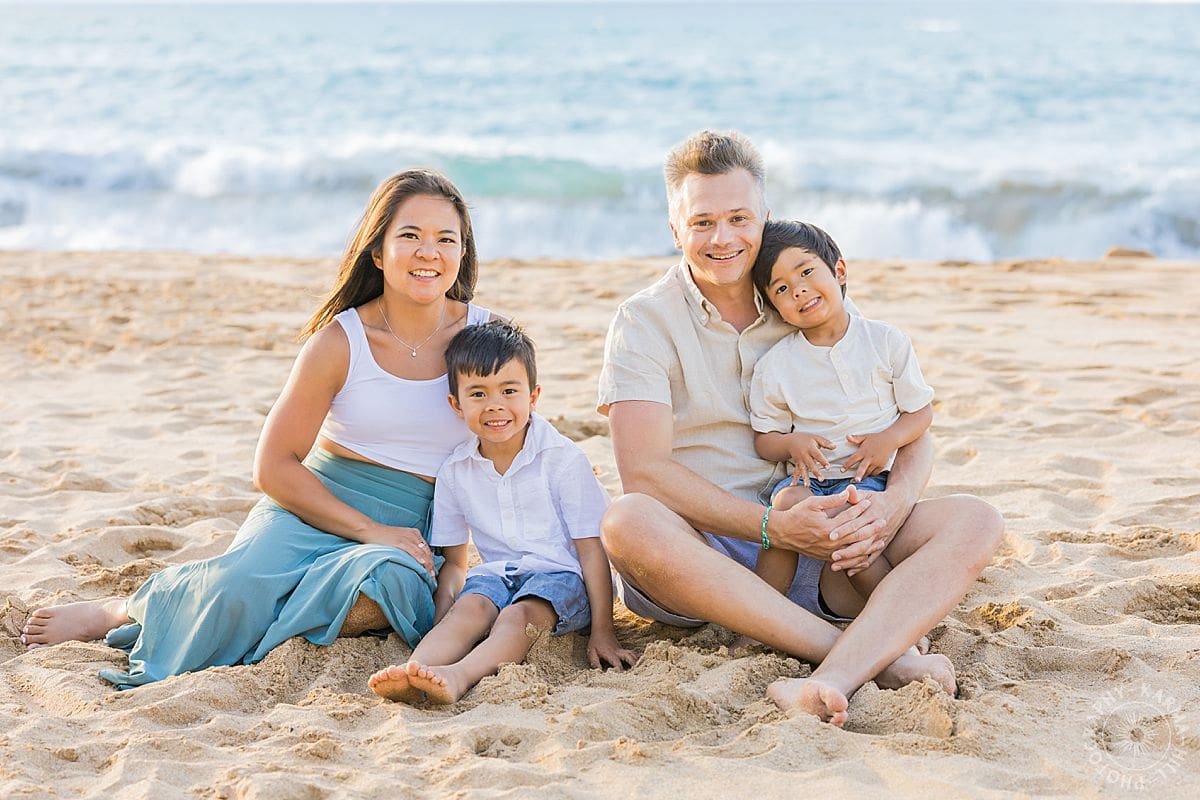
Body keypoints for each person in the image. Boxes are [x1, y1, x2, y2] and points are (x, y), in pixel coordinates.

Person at [21, 169, 497, 688]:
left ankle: (243, 605)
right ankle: (123, 609)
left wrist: (455, 560)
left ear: (462, 252)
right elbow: (272, 466)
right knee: (242, 585)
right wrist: (368, 529)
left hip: (416, 522)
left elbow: (497, 456)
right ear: (378, 252)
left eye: (445, 239)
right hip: (317, 503)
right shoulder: (340, 342)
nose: (429, 252)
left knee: (386, 586)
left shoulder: (486, 339)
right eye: (410, 236)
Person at [597, 130, 1004, 727]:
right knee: (626, 520)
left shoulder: (807, 299)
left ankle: (841, 659)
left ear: (763, 217)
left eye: (739, 217)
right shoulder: (643, 321)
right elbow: (644, 471)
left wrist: (891, 505)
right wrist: (775, 528)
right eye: (702, 221)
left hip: (828, 537)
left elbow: (906, 429)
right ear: (675, 229)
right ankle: (865, 654)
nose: (723, 238)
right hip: (702, 556)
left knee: (977, 521)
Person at [368, 321, 635, 705]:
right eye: (478, 393)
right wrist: (442, 621)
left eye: (509, 391)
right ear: (456, 405)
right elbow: (456, 566)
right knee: (470, 607)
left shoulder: (561, 459)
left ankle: (460, 676)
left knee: (515, 617)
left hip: (560, 579)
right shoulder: (456, 470)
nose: (495, 405)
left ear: (533, 396)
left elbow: (593, 551)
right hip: (498, 577)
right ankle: (416, 669)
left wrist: (603, 631)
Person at [749, 219, 933, 601]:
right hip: (810, 482)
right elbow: (765, 440)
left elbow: (920, 414)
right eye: (782, 289)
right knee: (783, 507)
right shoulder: (777, 365)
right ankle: (759, 618)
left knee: (855, 526)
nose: (798, 289)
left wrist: (887, 440)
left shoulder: (886, 341)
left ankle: (892, 612)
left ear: (840, 271)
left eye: (806, 272)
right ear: (776, 309)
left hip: (869, 481)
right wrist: (791, 445)